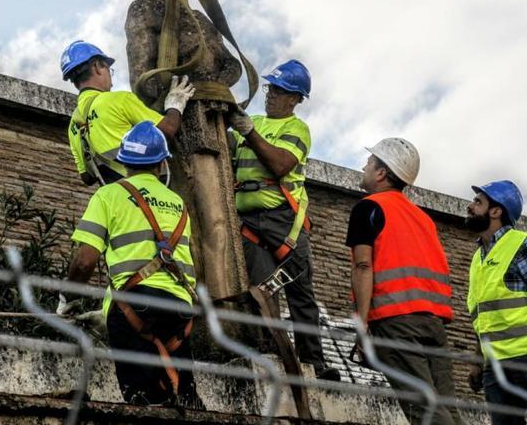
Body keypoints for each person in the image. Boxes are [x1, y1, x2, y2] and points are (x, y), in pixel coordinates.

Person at [60, 121, 201, 408]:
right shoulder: (178, 203)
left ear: (124, 162)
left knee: (141, 401)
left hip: (132, 308)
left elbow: (85, 261)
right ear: (162, 164)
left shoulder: (108, 195)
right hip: (179, 312)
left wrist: (69, 299)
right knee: (184, 400)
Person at [228, 59, 339, 381]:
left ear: (296, 99)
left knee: (300, 292)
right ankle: (274, 355)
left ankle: (313, 362)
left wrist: (247, 131)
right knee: (262, 293)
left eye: (281, 91)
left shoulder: (296, 129)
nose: (272, 95)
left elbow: (279, 165)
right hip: (248, 222)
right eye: (271, 88)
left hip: (283, 221)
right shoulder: (255, 122)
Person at [346, 138, 460, 425]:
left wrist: (361, 325)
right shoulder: (422, 218)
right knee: (448, 410)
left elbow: (363, 266)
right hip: (433, 324)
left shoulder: (367, 208)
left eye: (370, 163)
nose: (364, 166)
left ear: (382, 172)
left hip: (396, 322)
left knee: (425, 412)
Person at [465, 180, 527, 425]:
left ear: (496, 211)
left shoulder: (522, 244)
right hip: (494, 366)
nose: (470, 206)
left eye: (478, 202)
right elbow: (482, 319)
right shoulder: (478, 258)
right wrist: (479, 362)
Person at [62, 40, 194, 185]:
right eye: (108, 69)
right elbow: (168, 129)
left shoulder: (74, 124)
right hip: (148, 195)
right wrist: (175, 104)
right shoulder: (119, 100)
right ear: (97, 67)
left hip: (114, 199)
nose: (111, 80)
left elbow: (87, 178)